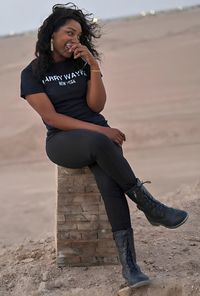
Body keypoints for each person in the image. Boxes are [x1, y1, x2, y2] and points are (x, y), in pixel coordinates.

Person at [20, 2, 189, 289]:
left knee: (110, 185)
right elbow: (52, 117)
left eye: (78, 35)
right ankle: (150, 206)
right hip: (63, 141)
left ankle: (130, 268)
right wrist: (100, 130)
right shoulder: (32, 72)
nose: (74, 39)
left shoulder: (82, 64)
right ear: (52, 33)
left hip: (99, 138)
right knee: (100, 142)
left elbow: (95, 105)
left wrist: (94, 67)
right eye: (69, 32)